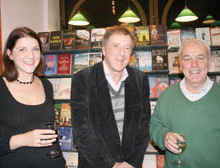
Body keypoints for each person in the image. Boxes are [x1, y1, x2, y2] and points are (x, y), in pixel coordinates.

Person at [71, 26, 151, 168]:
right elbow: (82, 132)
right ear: (103, 50)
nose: (122, 53)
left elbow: (144, 127)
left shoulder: (140, 79)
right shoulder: (82, 79)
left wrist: (131, 162)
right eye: (116, 46)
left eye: (127, 48)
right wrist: (111, 165)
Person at [0, 27, 66, 168]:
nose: (31, 55)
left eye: (35, 49)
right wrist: (23, 139)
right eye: (22, 50)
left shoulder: (46, 85)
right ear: (10, 54)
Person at [150, 39, 220, 168]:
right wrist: (163, 136)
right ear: (180, 65)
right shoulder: (167, 95)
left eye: (200, 58)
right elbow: (154, 126)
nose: (194, 64)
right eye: (187, 59)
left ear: (209, 63)